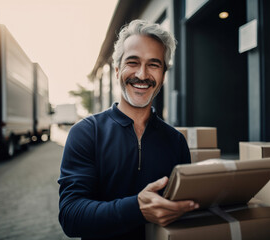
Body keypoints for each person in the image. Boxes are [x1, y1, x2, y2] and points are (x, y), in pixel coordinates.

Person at [58, 19, 199, 240]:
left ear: (163, 75)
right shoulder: (86, 133)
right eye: (133, 62)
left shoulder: (176, 141)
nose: (142, 75)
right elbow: (71, 216)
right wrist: (137, 208)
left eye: (154, 64)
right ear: (117, 70)